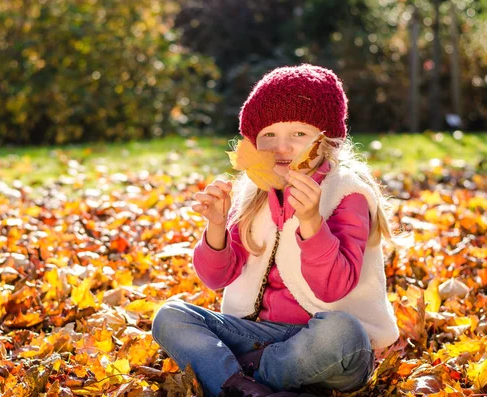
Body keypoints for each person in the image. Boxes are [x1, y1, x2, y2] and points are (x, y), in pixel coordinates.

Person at [151, 64, 400, 397]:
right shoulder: (252, 194)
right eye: (269, 135)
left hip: (326, 345)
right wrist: (216, 228)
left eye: (298, 134)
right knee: (170, 315)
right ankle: (245, 388)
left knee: (342, 332)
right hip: (259, 333)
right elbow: (216, 278)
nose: (282, 147)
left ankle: (236, 375)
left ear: (325, 139)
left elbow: (333, 289)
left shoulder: (346, 193)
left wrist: (312, 221)